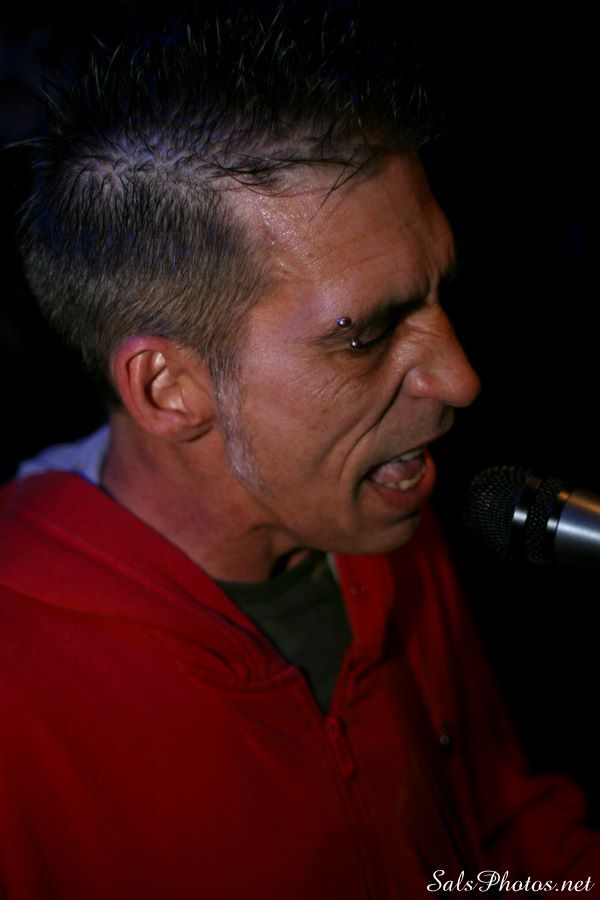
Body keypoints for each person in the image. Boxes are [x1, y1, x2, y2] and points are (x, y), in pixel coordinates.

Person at [0, 4, 598, 897]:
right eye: (365, 336)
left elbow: (499, 845)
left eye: (440, 293)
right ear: (168, 388)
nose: (460, 378)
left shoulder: (382, 510)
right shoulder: (17, 699)